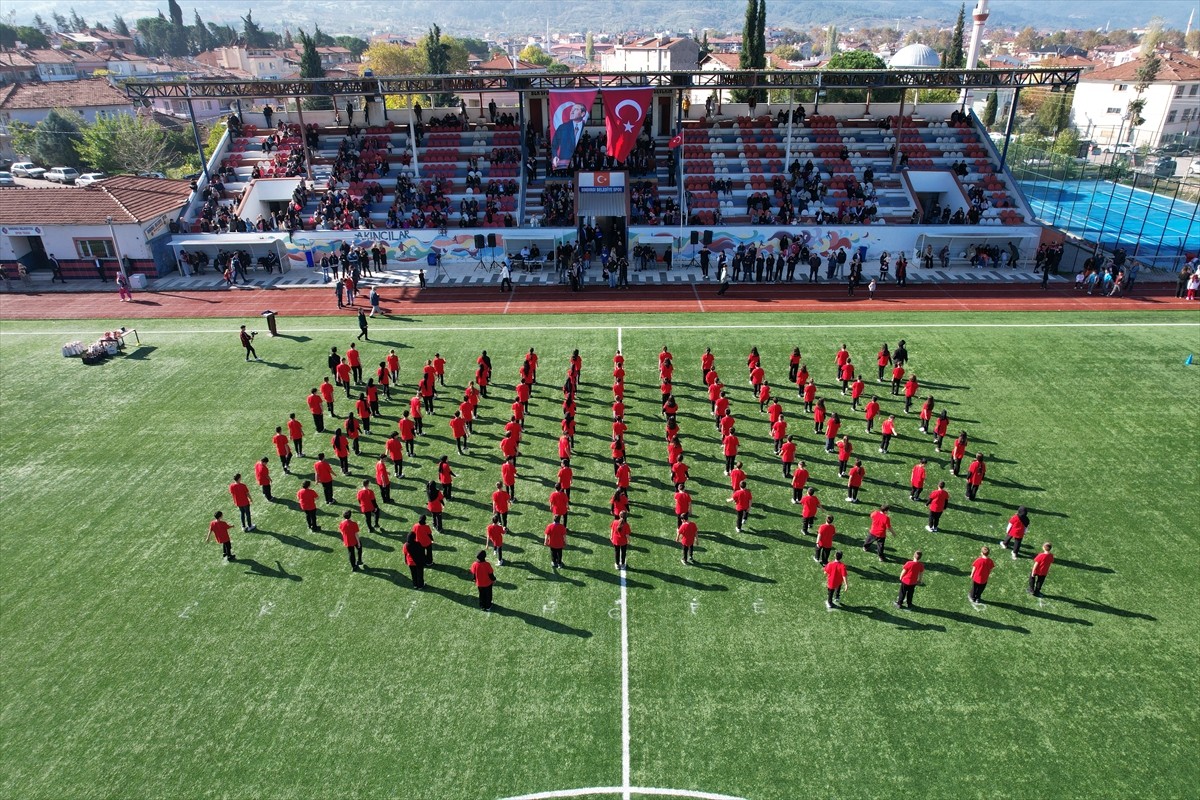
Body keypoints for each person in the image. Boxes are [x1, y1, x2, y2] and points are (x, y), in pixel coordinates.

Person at [551, 102, 587, 169]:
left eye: (576, 109)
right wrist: (555, 156)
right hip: (564, 161)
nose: (572, 111)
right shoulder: (562, 128)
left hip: (580, 161)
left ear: (583, 113)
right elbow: (554, 145)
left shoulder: (585, 127)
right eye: (571, 109)